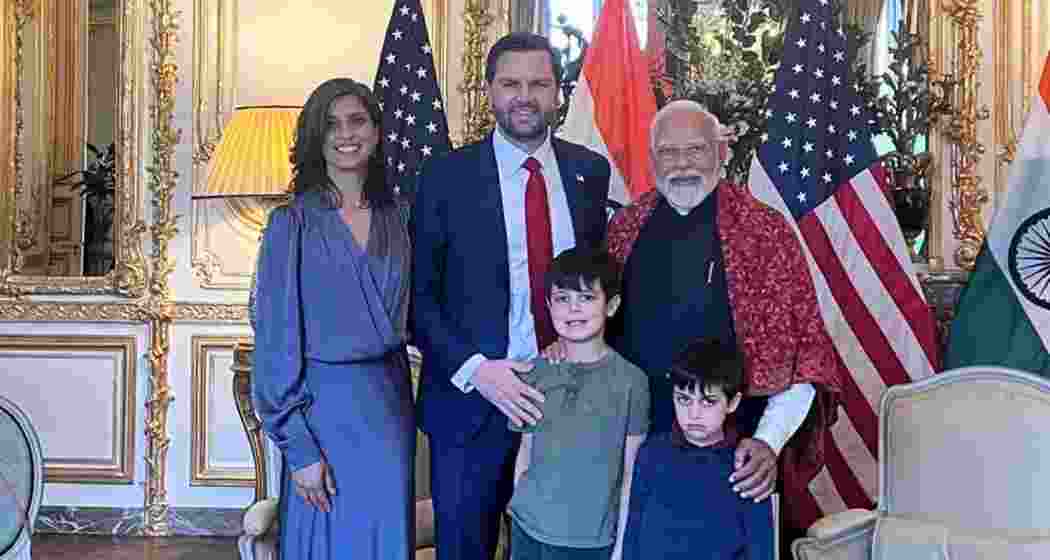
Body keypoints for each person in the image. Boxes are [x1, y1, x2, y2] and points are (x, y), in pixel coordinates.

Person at [412, 32, 612, 560]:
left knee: (560, 549)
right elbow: (418, 301)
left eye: (539, 84)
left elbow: (600, 287)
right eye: (511, 84)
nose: (525, 96)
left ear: (558, 92)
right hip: (472, 406)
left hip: (569, 403)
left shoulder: (590, 173)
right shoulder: (443, 177)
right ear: (490, 92)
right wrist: (480, 371)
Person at [605, 101, 840, 533]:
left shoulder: (764, 232)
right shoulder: (623, 229)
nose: (681, 164)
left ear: (721, 152)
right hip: (640, 445)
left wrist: (769, 441)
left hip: (737, 452)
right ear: (652, 156)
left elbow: (807, 355)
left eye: (695, 150)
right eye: (668, 153)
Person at [252, 78, 414, 559]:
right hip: (321, 415)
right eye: (331, 124)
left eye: (357, 120)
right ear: (315, 138)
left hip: (388, 411)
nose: (346, 133)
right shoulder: (292, 223)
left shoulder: (401, 218)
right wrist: (298, 449)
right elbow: (274, 342)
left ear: (378, 131)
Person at [508, 248, 648, 560]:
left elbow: (629, 474)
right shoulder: (535, 371)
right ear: (548, 305)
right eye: (562, 298)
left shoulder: (632, 382)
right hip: (527, 529)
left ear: (611, 305)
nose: (573, 309)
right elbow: (525, 453)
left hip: (589, 541)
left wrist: (622, 545)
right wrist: (519, 504)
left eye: (586, 298)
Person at [621, 338, 774, 560]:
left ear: (732, 403)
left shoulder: (746, 466)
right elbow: (633, 531)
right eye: (683, 399)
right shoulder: (651, 452)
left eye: (708, 402)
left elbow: (761, 549)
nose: (694, 414)